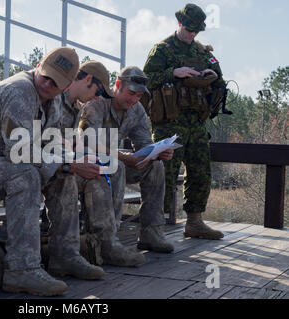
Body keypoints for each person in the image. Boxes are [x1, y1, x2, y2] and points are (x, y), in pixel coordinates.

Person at [0, 47, 105, 297]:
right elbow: (20, 150)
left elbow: (51, 145)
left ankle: (65, 254)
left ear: (67, 86)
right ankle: (21, 269)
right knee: (24, 175)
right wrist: (67, 163)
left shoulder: (54, 102)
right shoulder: (19, 91)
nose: (48, 83)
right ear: (38, 66)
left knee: (63, 175)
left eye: (56, 82)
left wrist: (73, 159)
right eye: (46, 75)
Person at [44, 60, 146, 269]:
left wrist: (82, 159)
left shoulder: (74, 106)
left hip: (59, 161)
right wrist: (72, 163)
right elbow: (40, 144)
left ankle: (105, 243)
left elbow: (70, 142)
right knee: (78, 174)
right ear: (88, 80)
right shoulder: (56, 100)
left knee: (106, 169)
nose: (98, 96)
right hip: (40, 164)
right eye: (99, 90)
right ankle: (69, 253)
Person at [143, 3, 226, 240]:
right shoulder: (163, 50)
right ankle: (153, 227)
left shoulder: (203, 53)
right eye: (189, 29)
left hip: (196, 121)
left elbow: (220, 79)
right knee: (163, 173)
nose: (192, 34)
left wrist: (213, 76)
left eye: (196, 31)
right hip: (169, 121)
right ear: (180, 24)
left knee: (200, 171)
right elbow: (146, 81)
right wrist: (173, 73)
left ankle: (195, 222)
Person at [79, 66, 175, 254]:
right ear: (117, 85)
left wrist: (157, 152)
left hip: (116, 163)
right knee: (117, 166)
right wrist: (125, 158)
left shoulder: (136, 110)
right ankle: (108, 238)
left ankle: (151, 233)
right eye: (131, 93)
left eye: (139, 96)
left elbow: (144, 143)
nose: (134, 99)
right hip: (87, 164)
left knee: (155, 166)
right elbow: (87, 142)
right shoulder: (97, 103)